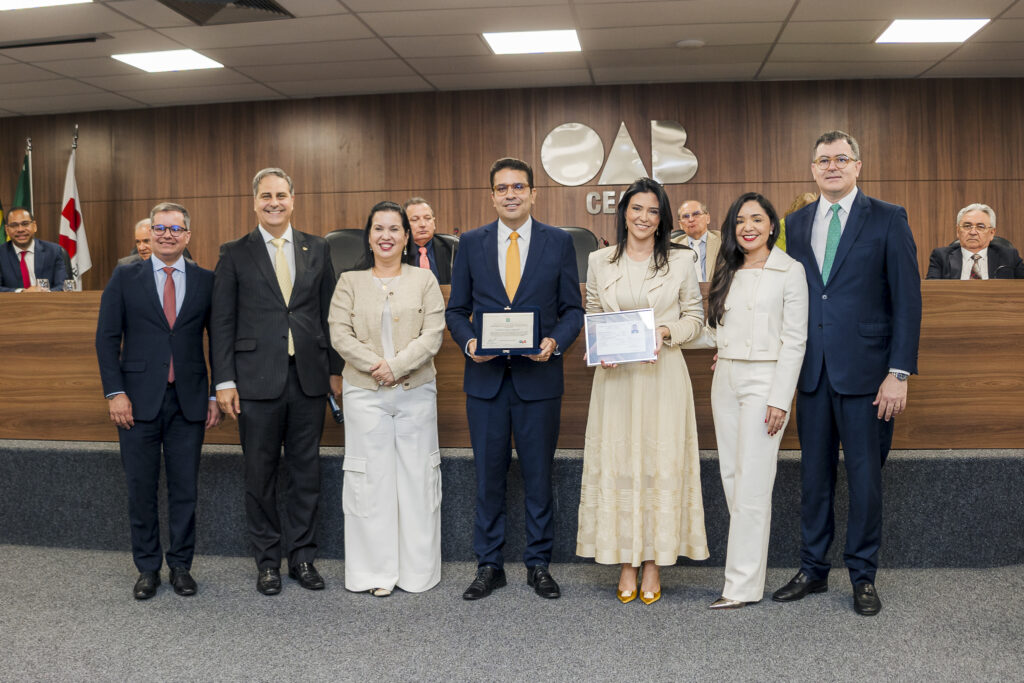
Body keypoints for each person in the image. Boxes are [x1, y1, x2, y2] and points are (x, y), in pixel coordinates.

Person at [773, 130, 921, 616]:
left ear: (858, 165)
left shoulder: (888, 217)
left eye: (841, 159)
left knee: (864, 481)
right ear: (812, 169)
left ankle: (862, 575)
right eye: (822, 160)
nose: (831, 167)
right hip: (812, 375)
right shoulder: (794, 223)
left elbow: (907, 300)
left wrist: (898, 372)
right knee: (814, 480)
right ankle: (813, 570)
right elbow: (785, 299)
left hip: (869, 377)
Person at [445, 157, 584, 601]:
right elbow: (455, 310)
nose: (510, 194)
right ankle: (489, 565)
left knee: (539, 476)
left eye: (518, 187)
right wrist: (469, 344)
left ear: (533, 193)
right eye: (502, 187)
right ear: (492, 195)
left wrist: (554, 343)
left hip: (538, 379)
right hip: (484, 381)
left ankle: (538, 564)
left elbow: (572, 310)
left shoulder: (559, 242)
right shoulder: (470, 243)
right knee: (488, 477)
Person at [211, 167, 343, 596]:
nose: (274, 202)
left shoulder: (317, 248)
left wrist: (336, 370)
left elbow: (330, 314)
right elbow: (222, 322)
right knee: (260, 473)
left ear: (293, 199)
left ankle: (302, 557)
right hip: (254, 381)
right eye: (266, 195)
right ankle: (267, 562)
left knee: (306, 473)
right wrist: (224, 381)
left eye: (281, 195)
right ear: (254, 202)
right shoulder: (234, 253)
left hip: (308, 378)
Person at [576, 177, 708, 605]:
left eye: (653, 211)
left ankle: (653, 561)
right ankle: (625, 560)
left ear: (662, 217)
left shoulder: (681, 261)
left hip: (662, 376)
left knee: (657, 463)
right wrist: (600, 347)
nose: (644, 218)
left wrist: (666, 331)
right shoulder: (599, 260)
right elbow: (593, 312)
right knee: (620, 463)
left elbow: (695, 319)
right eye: (637, 209)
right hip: (615, 380)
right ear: (624, 213)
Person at [95, 202, 222, 599]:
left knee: (185, 489)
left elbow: (217, 341)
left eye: (175, 229)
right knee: (141, 488)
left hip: (190, 401)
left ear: (187, 236)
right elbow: (106, 338)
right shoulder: (125, 276)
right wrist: (115, 392)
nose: (167, 234)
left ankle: (181, 566)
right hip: (136, 401)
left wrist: (216, 393)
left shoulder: (205, 279)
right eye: (160, 228)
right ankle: (147, 568)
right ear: (149, 233)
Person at [687, 192, 808, 609]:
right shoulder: (729, 269)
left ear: (772, 225)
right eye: (740, 220)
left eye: (756, 219)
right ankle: (745, 578)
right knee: (733, 479)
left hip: (765, 380)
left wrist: (781, 397)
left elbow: (795, 340)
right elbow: (714, 332)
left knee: (754, 485)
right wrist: (665, 332)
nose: (747, 227)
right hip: (726, 378)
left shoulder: (790, 271)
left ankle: (740, 587)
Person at [329, 201, 445, 597]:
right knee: (369, 482)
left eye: (394, 229)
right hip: (364, 394)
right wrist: (377, 366)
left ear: (407, 236)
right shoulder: (349, 281)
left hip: (415, 392)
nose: (386, 236)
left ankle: (417, 573)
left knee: (417, 479)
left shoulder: (424, 281)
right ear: (368, 235)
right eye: (378, 228)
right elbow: (339, 335)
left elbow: (433, 335)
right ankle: (374, 573)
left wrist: (396, 366)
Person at [926, 203, 1024, 279]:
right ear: (958, 231)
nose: (973, 232)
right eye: (967, 226)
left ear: (992, 233)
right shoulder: (941, 257)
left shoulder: (1009, 257)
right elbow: (932, 293)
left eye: (980, 227)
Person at [0, 207, 68, 291]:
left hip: (48, 302)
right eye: (14, 225)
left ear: (34, 226)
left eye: (25, 224)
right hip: (11, 303)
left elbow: (63, 285)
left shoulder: (54, 251)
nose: (20, 229)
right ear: (7, 230)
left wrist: (43, 294)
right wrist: (22, 292)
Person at [403, 197, 455, 285]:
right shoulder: (397, 251)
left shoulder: (453, 247)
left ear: (434, 223)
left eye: (427, 218)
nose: (423, 224)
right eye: (415, 219)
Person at [671, 199, 720, 282]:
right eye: (686, 216)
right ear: (680, 224)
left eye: (696, 214)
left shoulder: (723, 241)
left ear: (707, 218)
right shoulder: (672, 247)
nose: (691, 219)